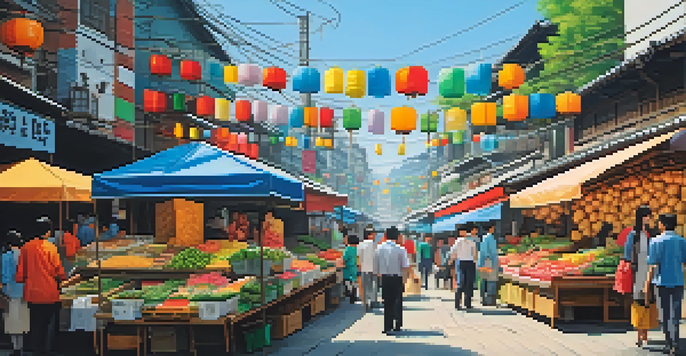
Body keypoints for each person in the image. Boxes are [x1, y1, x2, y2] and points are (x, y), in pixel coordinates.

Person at [16, 219, 67, 356]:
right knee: (48, 324)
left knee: (35, 323)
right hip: (49, 292)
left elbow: (20, 275)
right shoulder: (51, 248)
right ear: (48, 232)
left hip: (32, 293)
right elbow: (59, 271)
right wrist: (63, 279)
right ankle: (47, 350)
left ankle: (36, 350)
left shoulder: (26, 247)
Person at [646, 213, 686, 355]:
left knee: (664, 312)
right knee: (676, 313)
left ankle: (668, 342)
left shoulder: (656, 241)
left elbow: (652, 264)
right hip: (678, 280)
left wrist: (647, 284)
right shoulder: (681, 241)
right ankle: (675, 342)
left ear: (662, 224)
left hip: (661, 281)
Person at [621, 205, 657, 348]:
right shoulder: (633, 234)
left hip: (649, 272)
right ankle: (639, 335)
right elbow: (627, 254)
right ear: (641, 217)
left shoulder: (651, 233)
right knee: (638, 302)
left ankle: (646, 334)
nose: (649, 218)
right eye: (647, 215)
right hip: (637, 273)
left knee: (648, 301)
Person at [375, 226, 409, 334]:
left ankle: (387, 326)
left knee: (387, 302)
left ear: (385, 236)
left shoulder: (379, 248)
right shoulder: (401, 249)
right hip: (397, 278)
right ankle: (397, 324)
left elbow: (375, 266)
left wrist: (379, 275)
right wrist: (404, 280)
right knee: (397, 301)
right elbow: (405, 266)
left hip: (385, 278)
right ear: (397, 236)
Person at [2, 231, 29, 356]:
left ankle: (15, 348)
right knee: (22, 319)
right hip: (25, 291)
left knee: (12, 320)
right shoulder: (25, 255)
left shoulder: (5, 256)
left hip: (10, 292)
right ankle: (22, 346)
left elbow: (5, 277)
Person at [452, 225, 477, 310]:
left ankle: (467, 303)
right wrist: (453, 260)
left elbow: (474, 252)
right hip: (462, 262)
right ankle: (458, 303)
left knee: (469, 283)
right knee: (462, 282)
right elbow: (453, 251)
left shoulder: (471, 241)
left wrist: (475, 261)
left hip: (470, 262)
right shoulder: (458, 241)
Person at [478, 222, 499, 306]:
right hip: (489, 261)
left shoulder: (486, 238)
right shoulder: (488, 237)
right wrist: (488, 259)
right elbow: (486, 251)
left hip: (486, 261)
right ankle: (489, 300)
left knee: (485, 280)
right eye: (493, 227)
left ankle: (484, 299)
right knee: (490, 280)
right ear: (490, 228)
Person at [358, 227, 378, 311]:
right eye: (373, 235)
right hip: (374, 268)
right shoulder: (374, 245)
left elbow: (358, 257)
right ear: (370, 235)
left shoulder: (360, 245)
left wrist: (359, 266)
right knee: (373, 285)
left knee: (365, 285)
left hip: (364, 268)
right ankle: (373, 301)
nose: (374, 236)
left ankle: (365, 302)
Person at [342, 234, 359, 304]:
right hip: (355, 268)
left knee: (348, 283)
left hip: (348, 269)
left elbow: (344, 259)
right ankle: (353, 297)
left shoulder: (348, 249)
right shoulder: (358, 249)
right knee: (354, 283)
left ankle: (349, 295)